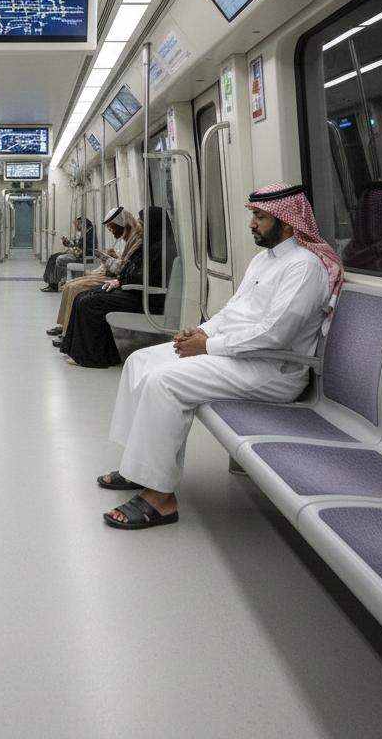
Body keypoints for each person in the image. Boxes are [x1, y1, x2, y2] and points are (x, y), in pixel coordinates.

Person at [99, 183, 342, 530]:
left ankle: (160, 498)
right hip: (237, 355)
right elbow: (233, 311)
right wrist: (203, 332)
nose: (252, 224)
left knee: (164, 382)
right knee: (140, 361)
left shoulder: (304, 268)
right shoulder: (264, 260)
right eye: (253, 216)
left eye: (260, 217)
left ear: (287, 223)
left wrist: (208, 347)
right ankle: (136, 466)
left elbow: (275, 334)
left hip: (273, 369)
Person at [59, 207, 168, 368]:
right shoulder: (148, 245)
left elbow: (143, 276)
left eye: (143, 224)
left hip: (144, 298)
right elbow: (132, 270)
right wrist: (120, 281)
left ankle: (90, 356)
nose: (140, 228)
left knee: (89, 301)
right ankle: (73, 348)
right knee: (82, 296)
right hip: (132, 289)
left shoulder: (158, 249)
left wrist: (120, 280)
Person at [47, 206, 139, 339]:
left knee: (74, 287)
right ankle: (65, 324)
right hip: (109, 271)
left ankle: (68, 331)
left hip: (112, 275)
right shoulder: (124, 241)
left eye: (113, 228)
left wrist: (105, 258)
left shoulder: (134, 242)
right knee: (69, 284)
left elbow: (120, 268)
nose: (112, 233)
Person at [42, 217, 97, 291]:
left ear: (83, 224)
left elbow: (81, 251)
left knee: (58, 259)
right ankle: (51, 282)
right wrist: (68, 243)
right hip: (79, 255)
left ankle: (54, 284)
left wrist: (69, 251)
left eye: (78, 224)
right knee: (53, 256)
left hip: (83, 258)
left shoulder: (89, 235)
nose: (76, 227)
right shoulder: (85, 233)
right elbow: (78, 246)